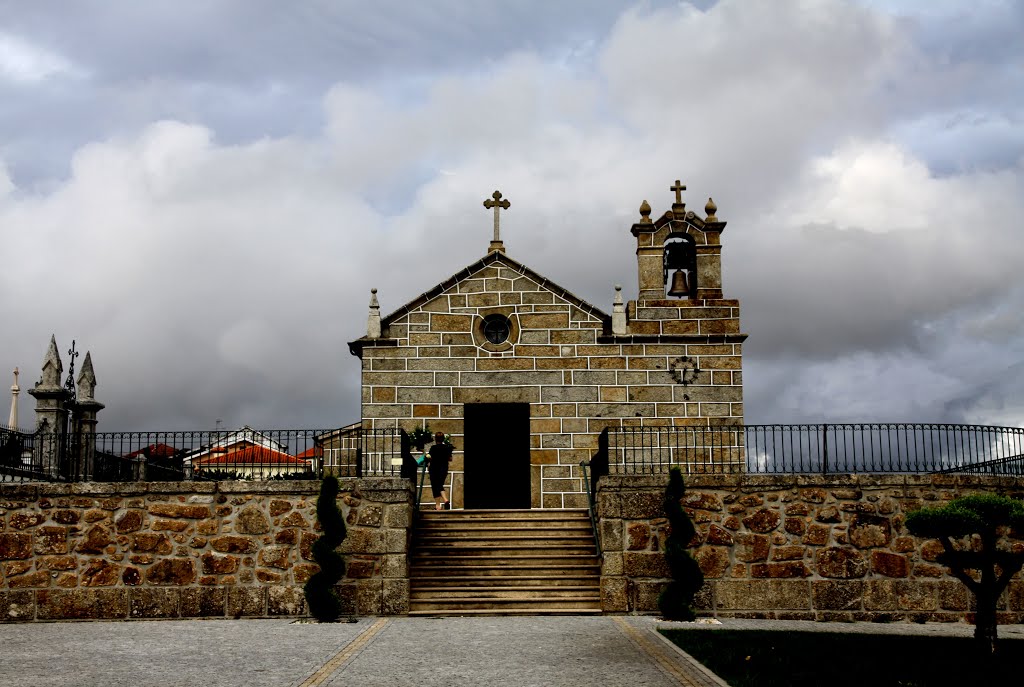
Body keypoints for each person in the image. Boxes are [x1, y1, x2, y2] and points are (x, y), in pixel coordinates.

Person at [426, 432, 453, 510]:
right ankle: (438, 506)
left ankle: (445, 500)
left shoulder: (433, 448)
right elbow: (450, 459)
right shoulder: (447, 448)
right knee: (439, 484)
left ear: (435, 439)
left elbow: (430, 458)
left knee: (436, 485)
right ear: (443, 439)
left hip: (434, 469)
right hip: (444, 469)